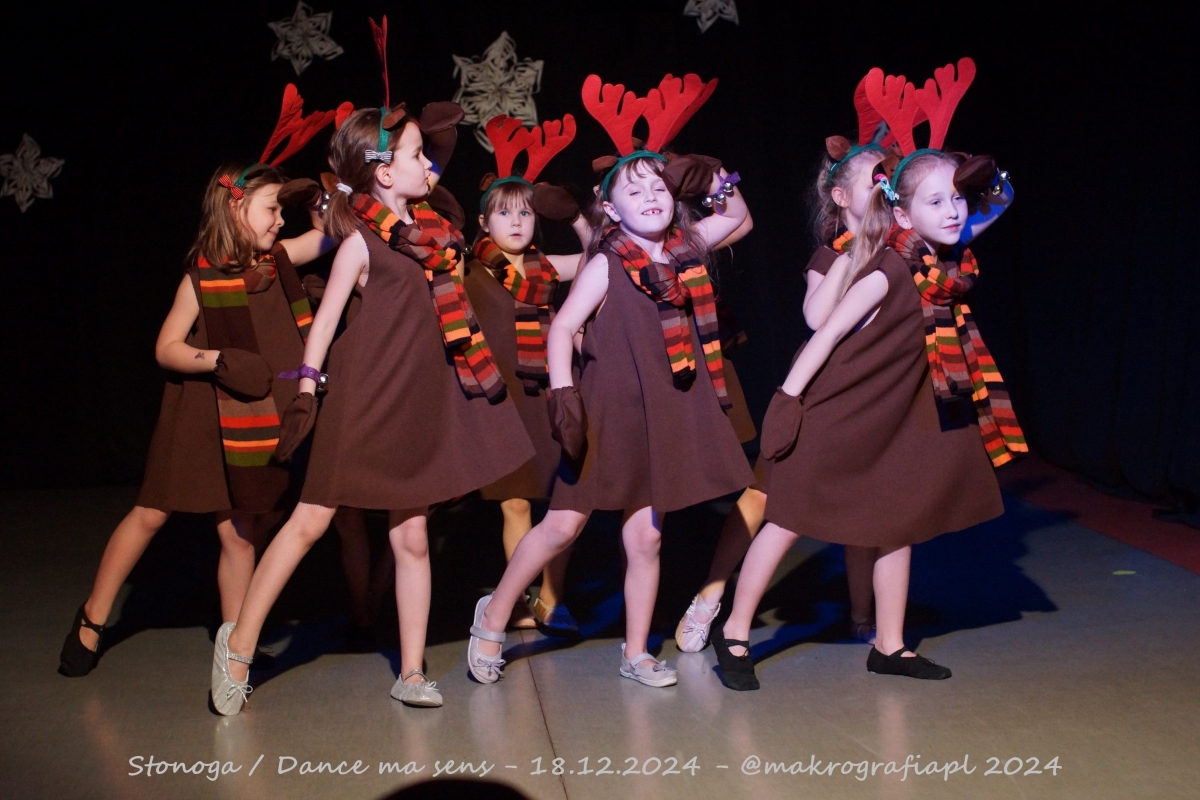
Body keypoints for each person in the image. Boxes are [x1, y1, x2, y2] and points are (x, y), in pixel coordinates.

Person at [208, 18, 534, 714]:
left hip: (414, 400)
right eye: (416, 156)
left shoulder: (436, 237)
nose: (430, 166)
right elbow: (325, 324)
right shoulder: (360, 242)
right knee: (309, 522)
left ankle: (411, 671)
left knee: (412, 535)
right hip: (361, 401)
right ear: (385, 172)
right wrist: (306, 392)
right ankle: (238, 647)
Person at [713, 58, 1025, 690]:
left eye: (957, 200)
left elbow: (999, 201)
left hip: (895, 416)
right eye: (936, 201)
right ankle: (735, 633)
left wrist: (983, 179)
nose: (954, 211)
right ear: (902, 214)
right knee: (789, 518)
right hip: (837, 411)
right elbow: (825, 332)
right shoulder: (888, 267)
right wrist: (787, 399)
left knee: (897, 523)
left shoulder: (943, 262)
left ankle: (890, 645)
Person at [465, 73, 753, 689]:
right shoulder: (606, 261)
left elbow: (737, 215)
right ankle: (492, 616)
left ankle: (637, 651)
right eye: (634, 190)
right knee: (562, 526)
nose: (650, 196)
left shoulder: (685, 250)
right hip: (604, 417)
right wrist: (564, 399)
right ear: (611, 209)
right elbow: (562, 328)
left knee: (646, 539)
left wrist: (711, 180)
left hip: (661, 416)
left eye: (659, 187)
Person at [58, 85, 342, 677]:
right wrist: (216, 360)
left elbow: (328, 237)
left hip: (256, 415)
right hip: (199, 412)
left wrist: (336, 198)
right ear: (236, 210)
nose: (280, 219)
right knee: (152, 513)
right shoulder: (200, 278)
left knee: (240, 532)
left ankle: (235, 644)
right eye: (271, 209)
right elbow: (166, 348)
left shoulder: (277, 262)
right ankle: (93, 616)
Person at [463, 114, 591, 634]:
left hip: (551, 393)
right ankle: (515, 600)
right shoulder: (467, 270)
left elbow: (600, 256)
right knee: (515, 504)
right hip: (500, 399)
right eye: (504, 212)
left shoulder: (548, 266)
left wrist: (577, 218)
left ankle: (552, 600)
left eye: (525, 212)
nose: (516, 222)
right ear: (483, 222)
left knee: (564, 502)